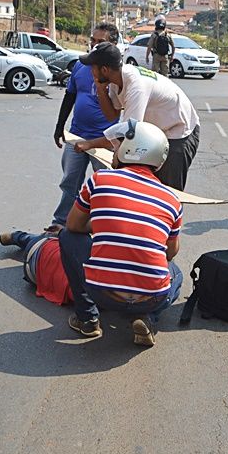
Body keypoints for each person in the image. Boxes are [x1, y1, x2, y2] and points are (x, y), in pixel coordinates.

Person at [59, 119, 184, 347]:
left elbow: (73, 226)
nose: (114, 149)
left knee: (67, 237)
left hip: (101, 292)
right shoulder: (173, 201)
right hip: (151, 297)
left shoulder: (100, 179)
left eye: (118, 145)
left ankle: (87, 318)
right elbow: (170, 253)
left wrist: (103, 226)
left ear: (131, 149)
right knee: (176, 273)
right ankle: (147, 318)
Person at [79, 42, 201, 191]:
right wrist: (100, 90)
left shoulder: (136, 86)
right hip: (156, 133)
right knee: (146, 188)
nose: (91, 71)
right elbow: (111, 115)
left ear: (104, 70)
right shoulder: (115, 80)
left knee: (168, 192)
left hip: (180, 132)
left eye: (93, 67)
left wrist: (89, 144)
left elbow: (129, 133)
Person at [48, 23, 120, 233]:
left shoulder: (117, 72)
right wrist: (60, 126)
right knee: (70, 182)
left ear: (113, 45)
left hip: (105, 141)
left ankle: (103, 227)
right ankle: (61, 222)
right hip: (76, 135)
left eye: (101, 42)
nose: (94, 46)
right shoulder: (81, 66)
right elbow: (70, 95)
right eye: (93, 41)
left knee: (105, 187)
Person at [0, 229, 72, 306]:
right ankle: (18, 237)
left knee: (59, 235)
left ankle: (17, 237)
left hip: (40, 246)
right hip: (32, 276)